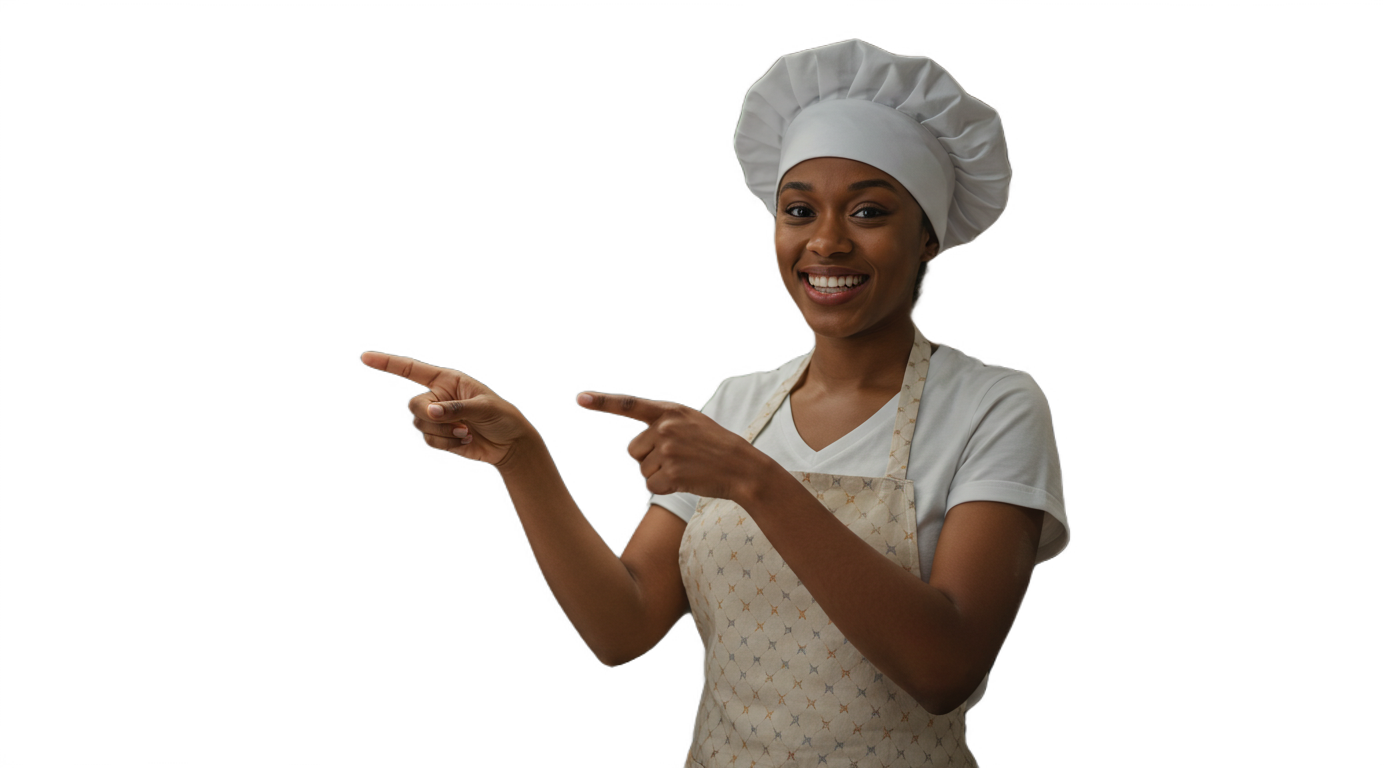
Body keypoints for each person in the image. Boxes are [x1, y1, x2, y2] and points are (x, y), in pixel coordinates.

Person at [363, 40, 1067, 768]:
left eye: (868, 212)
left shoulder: (994, 408)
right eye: (799, 210)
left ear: (926, 238)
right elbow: (623, 624)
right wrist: (522, 459)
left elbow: (943, 671)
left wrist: (753, 481)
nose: (825, 242)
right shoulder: (741, 405)